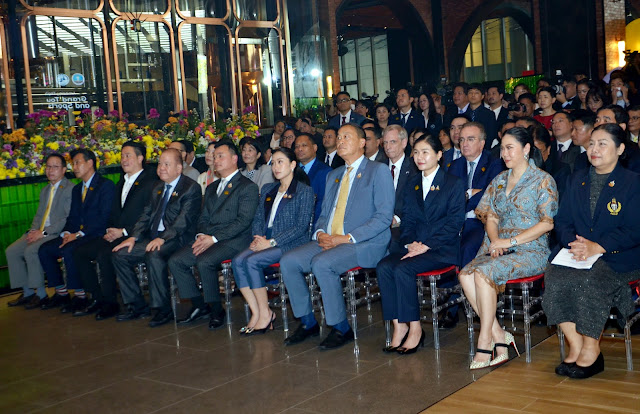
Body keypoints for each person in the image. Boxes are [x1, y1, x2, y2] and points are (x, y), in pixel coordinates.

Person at [280, 123, 394, 350]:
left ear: (362, 143)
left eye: (346, 137)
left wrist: (346, 238)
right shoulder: (334, 174)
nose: (340, 141)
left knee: (322, 264)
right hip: (330, 239)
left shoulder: (378, 171)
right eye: (338, 137)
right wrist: (320, 233)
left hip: (362, 242)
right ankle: (307, 321)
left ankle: (341, 327)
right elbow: (324, 214)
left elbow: (383, 218)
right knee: (288, 261)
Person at [543, 123, 640, 379]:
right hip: (579, 253)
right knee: (554, 276)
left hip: (619, 257)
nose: (594, 149)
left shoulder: (633, 183)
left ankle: (591, 349)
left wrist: (598, 246)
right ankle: (576, 344)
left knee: (588, 280)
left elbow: (634, 229)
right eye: (592, 144)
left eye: (602, 144)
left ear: (620, 149)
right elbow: (563, 221)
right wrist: (573, 244)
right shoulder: (578, 179)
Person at [459, 127, 558, 369]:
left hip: (530, 249)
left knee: (483, 273)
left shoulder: (543, 180)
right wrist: (496, 242)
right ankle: (499, 334)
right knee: (465, 274)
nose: (504, 153)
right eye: (502, 148)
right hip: (497, 247)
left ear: (526, 149)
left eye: (510, 148)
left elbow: (547, 223)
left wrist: (510, 242)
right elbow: (491, 217)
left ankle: (486, 340)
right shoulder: (500, 179)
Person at [376, 134, 465, 354]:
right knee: (384, 266)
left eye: (425, 152)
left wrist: (426, 245)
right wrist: (410, 243)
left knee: (403, 269)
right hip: (414, 246)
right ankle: (399, 325)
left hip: (441, 248)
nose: (419, 157)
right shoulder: (412, 184)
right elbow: (407, 221)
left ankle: (415, 328)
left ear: (439, 155)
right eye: (416, 152)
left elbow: (454, 224)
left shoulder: (453, 183)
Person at [168, 140, 259, 330]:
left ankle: (216, 309)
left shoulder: (247, 186)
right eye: (214, 156)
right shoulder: (211, 187)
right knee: (176, 260)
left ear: (234, 159)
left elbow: (243, 221)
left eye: (220, 156)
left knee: (205, 261)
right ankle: (199, 305)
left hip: (235, 240)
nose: (216, 160)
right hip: (209, 238)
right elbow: (203, 217)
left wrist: (214, 239)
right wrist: (202, 235)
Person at [112, 148, 202, 327]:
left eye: (167, 164)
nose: (161, 168)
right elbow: (145, 215)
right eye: (160, 164)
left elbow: (183, 222)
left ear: (179, 168)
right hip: (153, 237)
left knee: (154, 254)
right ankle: (136, 305)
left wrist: (163, 238)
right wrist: (133, 237)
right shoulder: (157, 187)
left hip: (177, 239)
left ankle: (163, 309)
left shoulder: (190, 188)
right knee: (120, 254)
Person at [232, 147, 314, 334]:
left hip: (290, 242)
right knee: (238, 261)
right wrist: (257, 237)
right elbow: (258, 218)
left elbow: (301, 227)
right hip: (264, 240)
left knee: (252, 261)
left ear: (292, 165)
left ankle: (265, 314)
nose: (275, 167)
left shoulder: (303, 191)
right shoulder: (268, 189)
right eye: (273, 163)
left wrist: (271, 242)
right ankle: (258, 312)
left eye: (280, 162)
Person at [72, 142, 158, 320]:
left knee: (106, 254)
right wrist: (110, 230)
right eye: (122, 156)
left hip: (139, 236)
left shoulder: (150, 182)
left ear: (140, 158)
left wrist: (124, 232)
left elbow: (149, 217)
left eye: (128, 155)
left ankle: (118, 303)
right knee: (80, 252)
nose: (123, 159)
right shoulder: (121, 182)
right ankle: (97, 298)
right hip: (118, 234)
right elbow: (112, 213)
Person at [39, 149, 116, 313]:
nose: (74, 167)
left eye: (77, 163)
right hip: (77, 234)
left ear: (90, 163)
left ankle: (82, 296)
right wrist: (67, 233)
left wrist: (79, 234)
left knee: (70, 250)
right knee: (45, 249)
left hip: (96, 234)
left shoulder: (105, 185)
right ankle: (61, 292)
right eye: (73, 164)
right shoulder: (77, 189)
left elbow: (104, 218)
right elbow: (72, 218)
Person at [6, 154, 73, 309]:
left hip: (55, 233)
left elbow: (66, 219)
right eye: (48, 166)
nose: (50, 170)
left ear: (64, 170)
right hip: (40, 231)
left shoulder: (69, 189)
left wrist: (43, 233)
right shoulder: (45, 190)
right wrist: (33, 231)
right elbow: (39, 215)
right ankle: (28, 292)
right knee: (12, 251)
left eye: (55, 167)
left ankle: (41, 295)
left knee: (31, 251)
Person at [382, 125, 418, 234]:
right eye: (385, 142)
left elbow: (415, 200)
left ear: (404, 143)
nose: (388, 147)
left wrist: (397, 218)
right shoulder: (378, 168)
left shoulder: (415, 168)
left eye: (392, 142)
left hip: (405, 228)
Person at [295, 133, 331, 226]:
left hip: (314, 224)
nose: (300, 149)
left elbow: (322, 203)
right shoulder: (291, 170)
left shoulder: (325, 172)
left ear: (315, 148)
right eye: (297, 146)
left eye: (304, 145)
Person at [466, 84, 498, 150]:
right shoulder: (463, 114)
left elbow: (491, 134)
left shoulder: (489, 114)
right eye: (470, 93)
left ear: (482, 96)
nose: (473, 95)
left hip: (483, 148)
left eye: (476, 93)